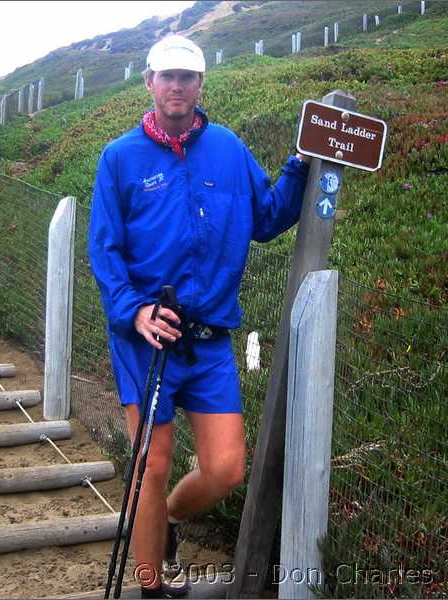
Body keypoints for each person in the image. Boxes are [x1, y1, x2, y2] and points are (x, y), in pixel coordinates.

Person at [89, 35, 311, 598]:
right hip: (148, 340)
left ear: (201, 84)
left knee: (225, 470)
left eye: (187, 77)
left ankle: (164, 521)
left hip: (210, 340)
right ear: (149, 82)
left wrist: (304, 164)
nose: (177, 86)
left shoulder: (229, 148)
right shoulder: (119, 158)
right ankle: (151, 586)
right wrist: (134, 310)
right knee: (151, 465)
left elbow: (267, 217)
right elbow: (105, 250)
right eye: (167, 76)